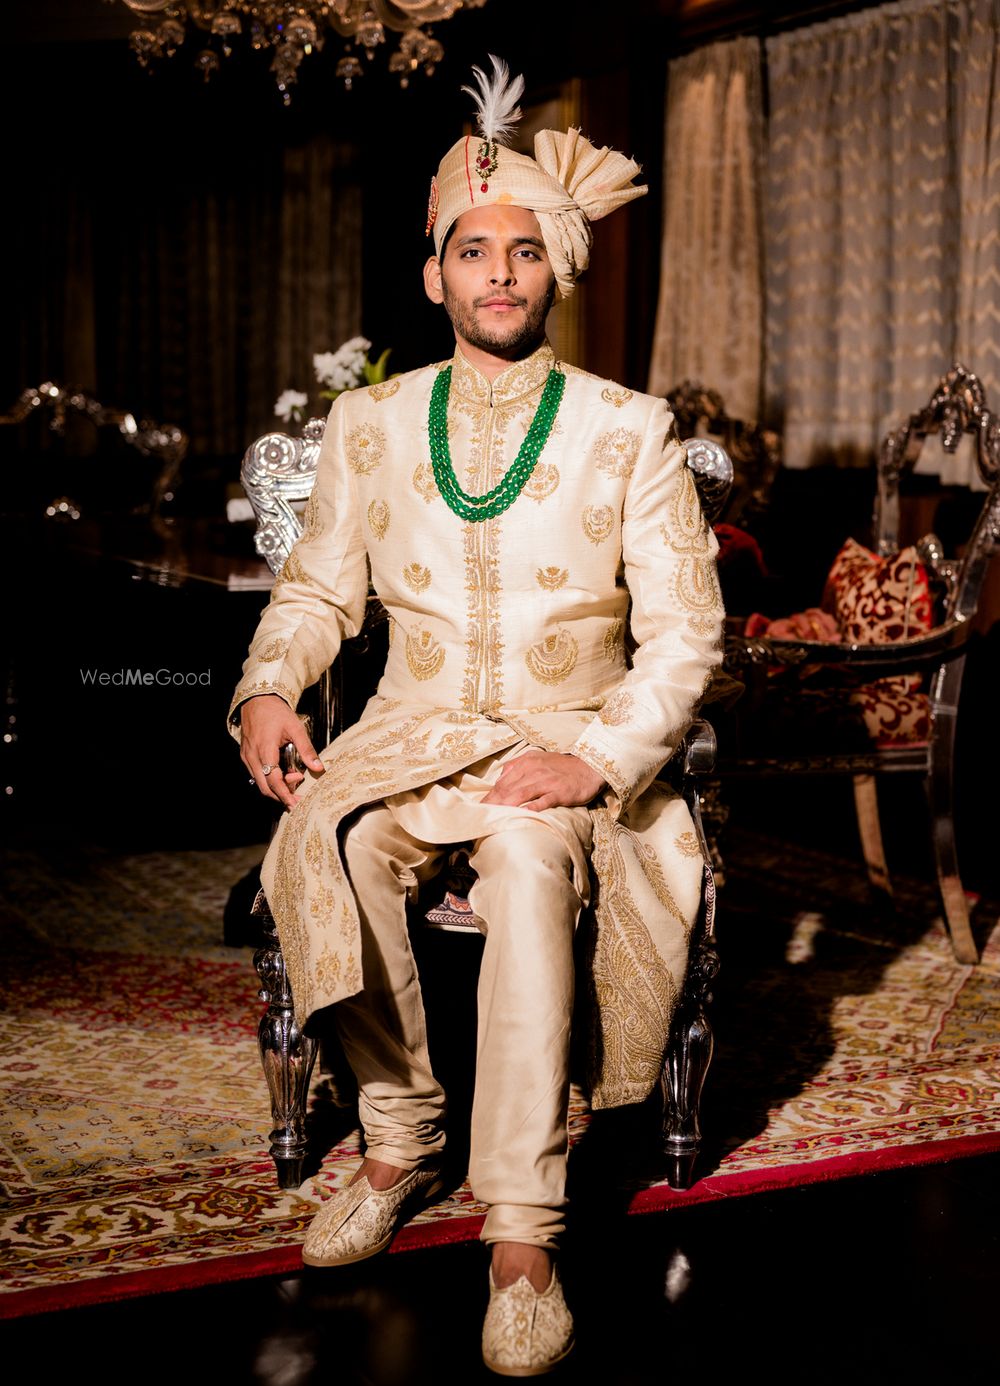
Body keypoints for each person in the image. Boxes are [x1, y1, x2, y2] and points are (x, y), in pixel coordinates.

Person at [230, 56, 723, 1377]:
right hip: (412, 731)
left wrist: (602, 755)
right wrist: (272, 683)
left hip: (567, 741)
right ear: (434, 274)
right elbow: (320, 585)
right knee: (327, 841)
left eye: (521, 249)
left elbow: (686, 637)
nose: (498, 272)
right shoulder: (372, 426)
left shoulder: (630, 431)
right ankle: (398, 1138)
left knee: (522, 849)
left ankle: (520, 1225)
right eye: (472, 250)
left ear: (552, 267)